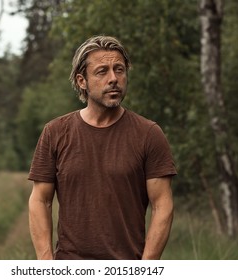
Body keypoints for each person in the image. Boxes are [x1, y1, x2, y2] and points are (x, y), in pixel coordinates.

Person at [28, 35, 177, 260]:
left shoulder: (149, 134)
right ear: (81, 81)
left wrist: (146, 269)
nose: (113, 79)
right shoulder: (55, 132)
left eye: (119, 70)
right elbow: (41, 199)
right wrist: (47, 263)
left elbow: (162, 205)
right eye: (102, 71)